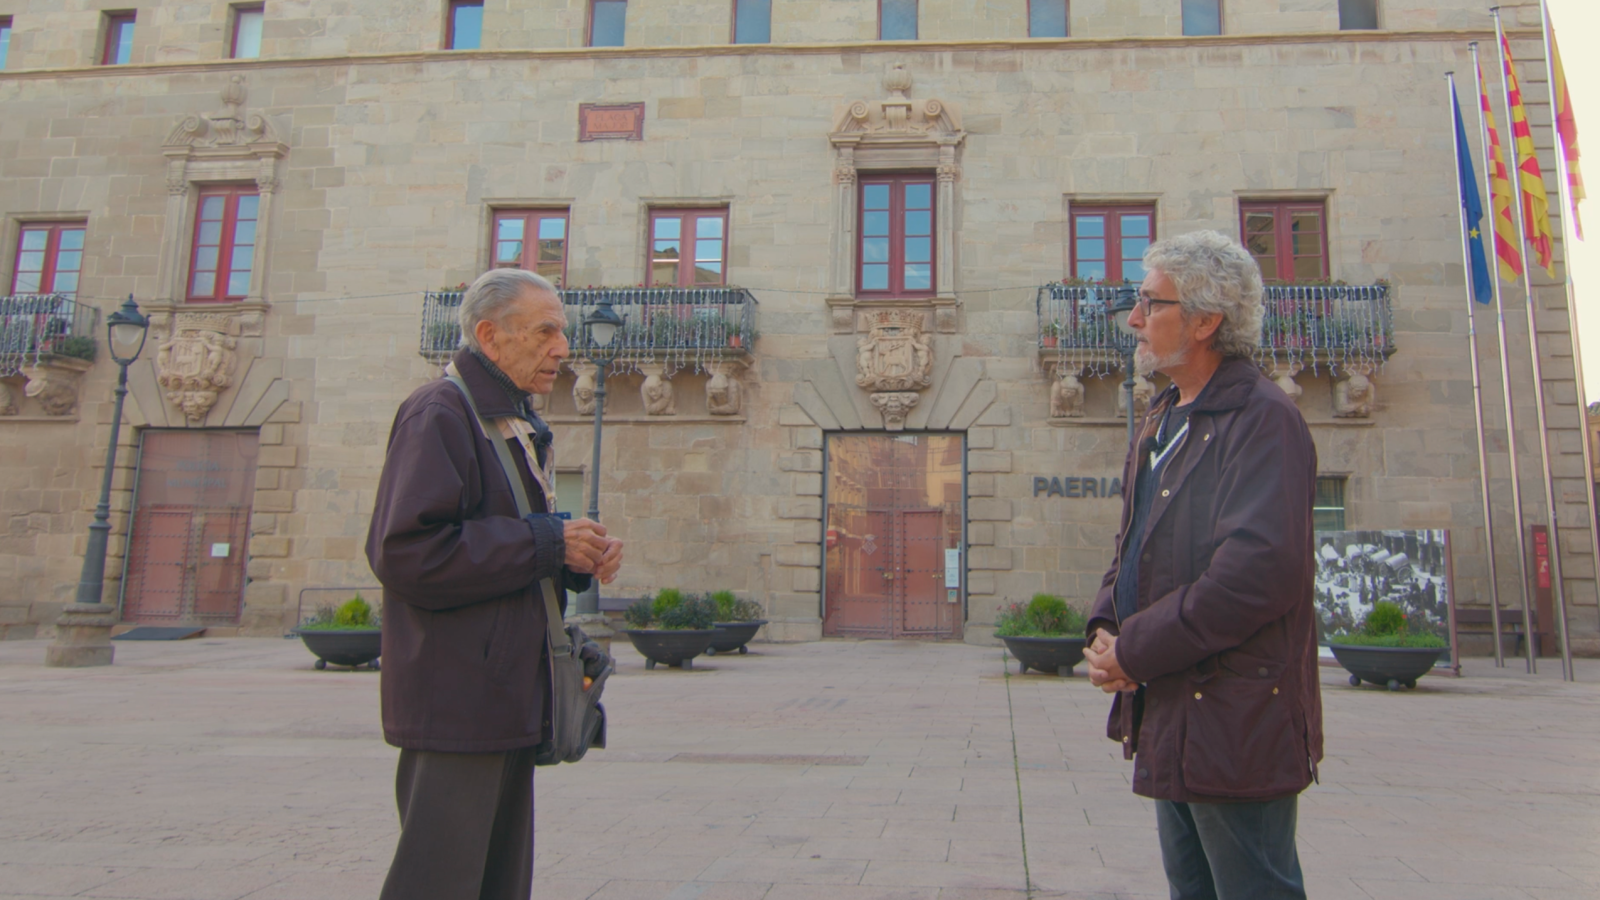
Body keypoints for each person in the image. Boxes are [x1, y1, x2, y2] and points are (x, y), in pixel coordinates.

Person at [366, 268, 624, 900]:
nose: (562, 348)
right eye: (545, 331)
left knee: (497, 884)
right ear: (490, 335)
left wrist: (568, 553)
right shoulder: (440, 413)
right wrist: (545, 541)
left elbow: (500, 540)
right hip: (458, 701)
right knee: (440, 883)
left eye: (561, 331)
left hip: (502, 695)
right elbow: (408, 552)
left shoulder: (506, 422)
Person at [1082, 230, 1322, 900]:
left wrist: (1138, 649)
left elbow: (1255, 574)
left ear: (1206, 321)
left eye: (1150, 302)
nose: (1134, 318)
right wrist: (1105, 627)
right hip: (1172, 706)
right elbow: (1135, 545)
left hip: (1236, 721)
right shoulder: (1162, 417)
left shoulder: (1262, 419)